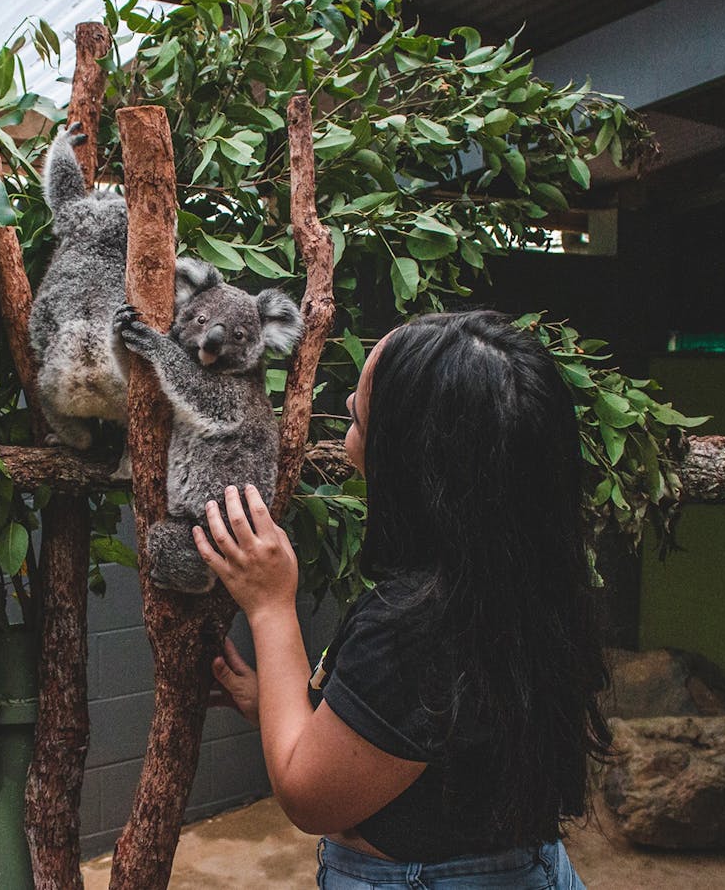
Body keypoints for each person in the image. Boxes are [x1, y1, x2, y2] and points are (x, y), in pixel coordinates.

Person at [193, 310, 609, 889]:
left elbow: (308, 800)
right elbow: (430, 735)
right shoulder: (518, 581)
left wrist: (269, 605)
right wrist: (280, 703)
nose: (346, 411)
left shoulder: (414, 627)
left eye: (364, 411)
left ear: (412, 456)